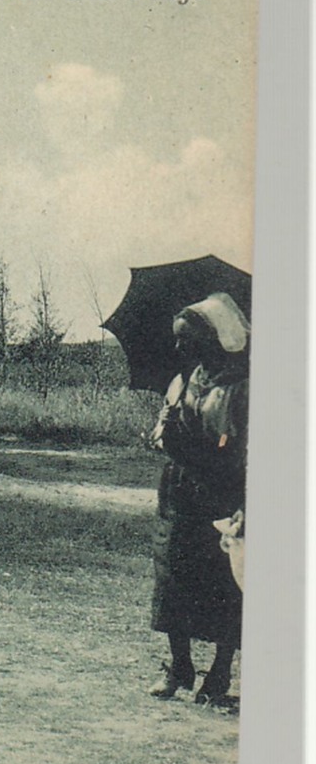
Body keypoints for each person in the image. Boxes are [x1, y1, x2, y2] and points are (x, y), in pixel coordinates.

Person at [148, 292, 249, 709]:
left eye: (185, 339)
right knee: (173, 574)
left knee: (226, 582)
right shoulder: (183, 381)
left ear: (211, 338)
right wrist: (161, 434)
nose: (178, 348)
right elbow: (163, 430)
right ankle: (180, 667)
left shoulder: (243, 388)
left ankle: (220, 671)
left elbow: (247, 449)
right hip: (180, 491)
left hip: (223, 492)